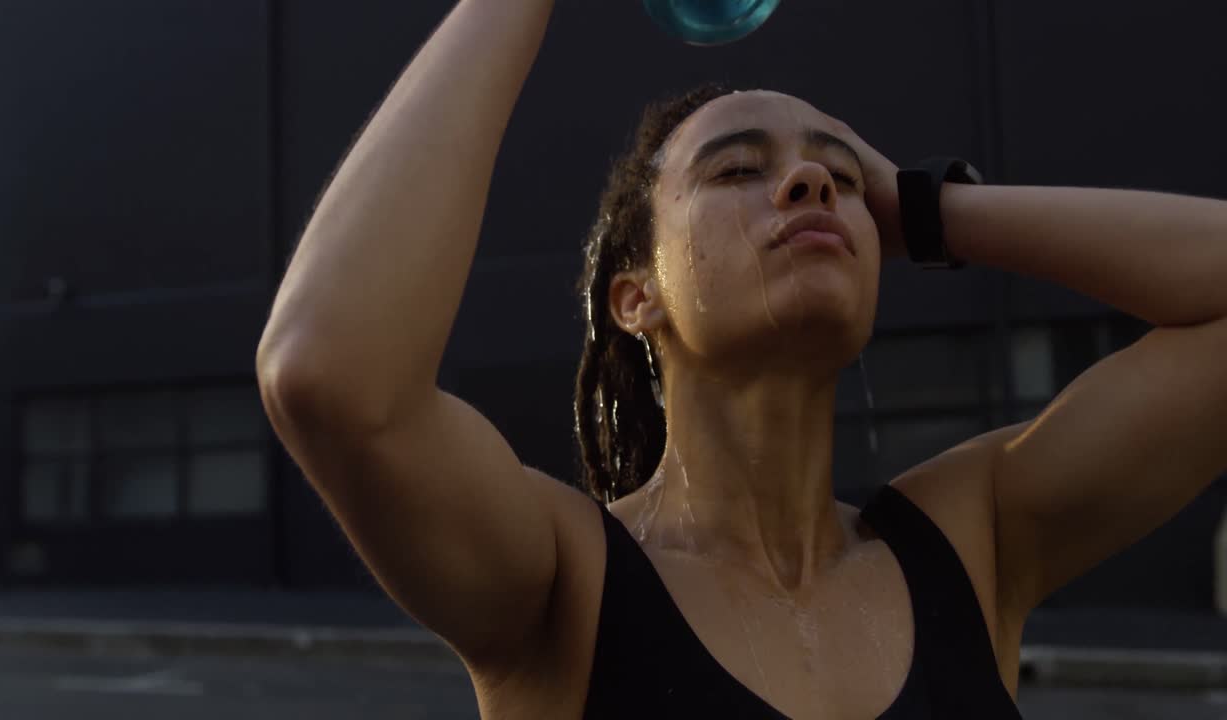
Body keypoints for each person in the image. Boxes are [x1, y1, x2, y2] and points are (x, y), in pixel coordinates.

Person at [254, 1, 1227, 717]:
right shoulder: (564, 583)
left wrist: (930, 207)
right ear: (635, 295)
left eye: (840, 176)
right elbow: (330, 374)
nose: (807, 179)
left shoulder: (972, 541)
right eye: (734, 169)